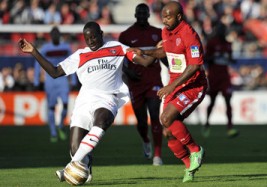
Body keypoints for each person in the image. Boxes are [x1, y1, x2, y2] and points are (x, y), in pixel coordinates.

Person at [18, 21, 154, 184]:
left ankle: (70, 166)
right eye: (87, 38)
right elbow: (54, 72)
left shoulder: (117, 47)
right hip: (84, 101)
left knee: (101, 122)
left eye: (94, 37)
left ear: (101, 34)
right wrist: (33, 51)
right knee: (76, 149)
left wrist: (157, 52)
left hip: (107, 98)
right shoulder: (80, 55)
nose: (91, 41)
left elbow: (144, 61)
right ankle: (84, 165)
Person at [128, 1, 207, 183]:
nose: (164, 20)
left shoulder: (189, 34)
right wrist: (145, 51)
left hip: (192, 86)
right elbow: (163, 51)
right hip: (175, 83)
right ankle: (189, 165)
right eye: (163, 16)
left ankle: (196, 150)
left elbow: (195, 66)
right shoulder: (165, 31)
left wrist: (171, 86)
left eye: (168, 16)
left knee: (166, 119)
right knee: (168, 132)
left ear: (179, 17)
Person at [118, 3, 164, 166]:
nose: (143, 16)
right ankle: (145, 139)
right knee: (142, 121)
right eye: (140, 14)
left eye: (145, 14)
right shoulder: (125, 36)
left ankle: (157, 155)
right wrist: (128, 73)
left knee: (154, 114)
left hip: (153, 80)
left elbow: (163, 55)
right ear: (136, 15)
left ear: (149, 15)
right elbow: (120, 60)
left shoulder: (158, 34)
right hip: (135, 83)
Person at [34, 26, 75, 143]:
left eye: (57, 34)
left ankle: (61, 125)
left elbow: (73, 62)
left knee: (66, 104)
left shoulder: (66, 47)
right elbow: (38, 63)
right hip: (50, 81)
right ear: (51, 36)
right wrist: (36, 80)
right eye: (54, 34)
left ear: (59, 35)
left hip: (63, 80)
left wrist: (74, 80)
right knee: (52, 106)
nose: (56, 36)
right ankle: (53, 132)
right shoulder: (45, 48)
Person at [203, 23, 239, 138]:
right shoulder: (212, 43)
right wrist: (215, 56)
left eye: (223, 30)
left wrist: (230, 59)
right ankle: (207, 124)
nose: (221, 32)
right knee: (212, 102)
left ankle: (230, 127)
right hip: (214, 76)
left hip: (224, 77)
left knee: (228, 100)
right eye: (220, 30)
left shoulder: (228, 44)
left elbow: (232, 60)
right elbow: (205, 59)